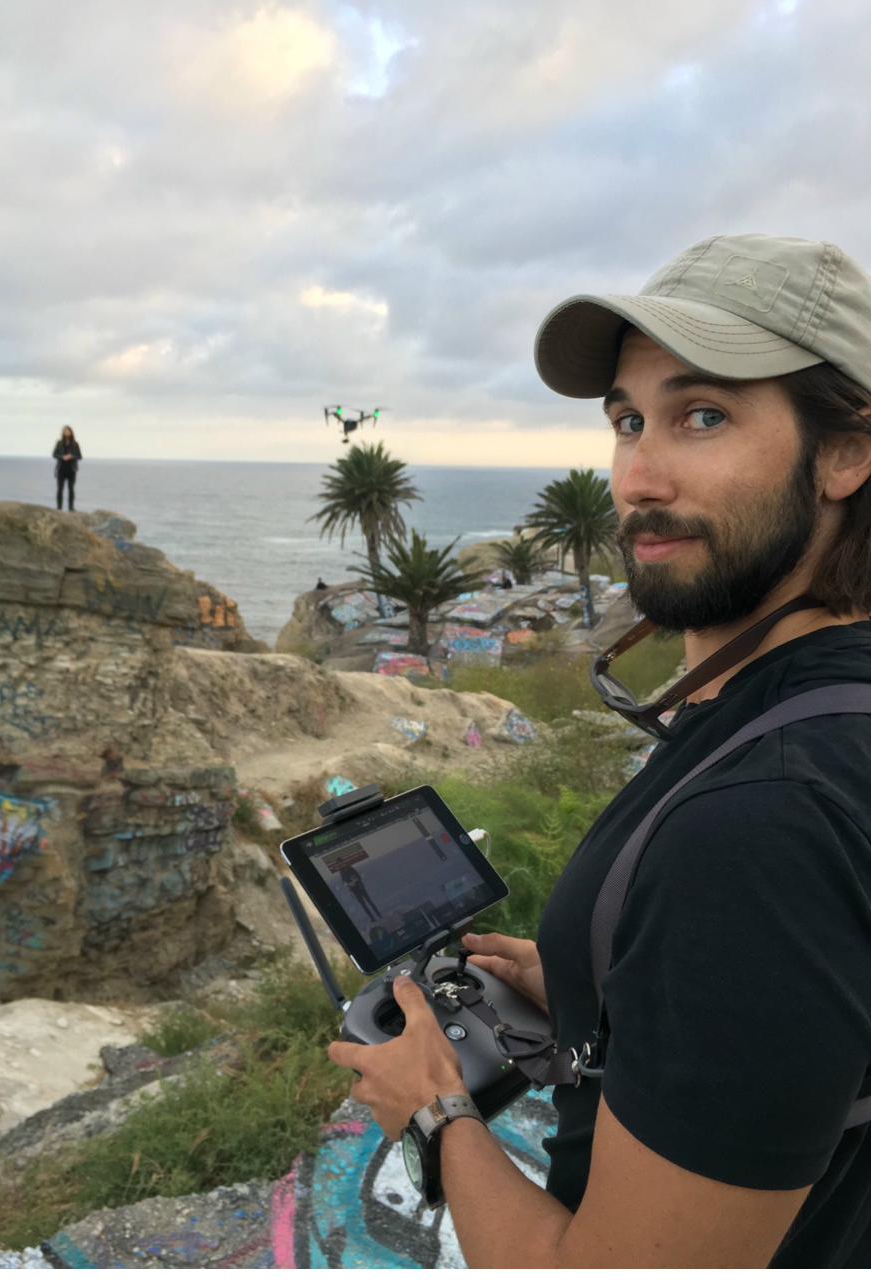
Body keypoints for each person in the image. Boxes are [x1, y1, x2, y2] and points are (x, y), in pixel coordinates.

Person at [328, 234, 871, 1268]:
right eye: (628, 421)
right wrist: (611, 988)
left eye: (702, 415)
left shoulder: (761, 826)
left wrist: (436, 1108)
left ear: (845, 452)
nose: (638, 477)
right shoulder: (819, 712)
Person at [52, 425, 82, 511]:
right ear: (63, 432)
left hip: (72, 469)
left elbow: (79, 456)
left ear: (71, 432)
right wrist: (62, 457)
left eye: (68, 431)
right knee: (60, 489)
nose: (66, 432)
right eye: (65, 431)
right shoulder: (59, 443)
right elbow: (54, 454)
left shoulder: (75, 444)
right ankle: (59, 508)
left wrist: (71, 456)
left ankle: (71, 508)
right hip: (61, 469)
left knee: (71, 489)